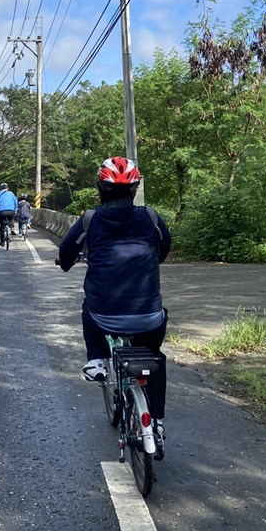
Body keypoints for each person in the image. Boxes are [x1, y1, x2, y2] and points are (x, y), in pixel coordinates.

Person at [55, 156, 171, 440]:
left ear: (99, 190)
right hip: (149, 316)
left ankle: (95, 359)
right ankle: (154, 422)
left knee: (88, 309)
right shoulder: (151, 217)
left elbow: (67, 253)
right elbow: (163, 249)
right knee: (153, 355)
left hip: (103, 316)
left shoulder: (90, 219)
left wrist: (64, 262)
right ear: (134, 191)